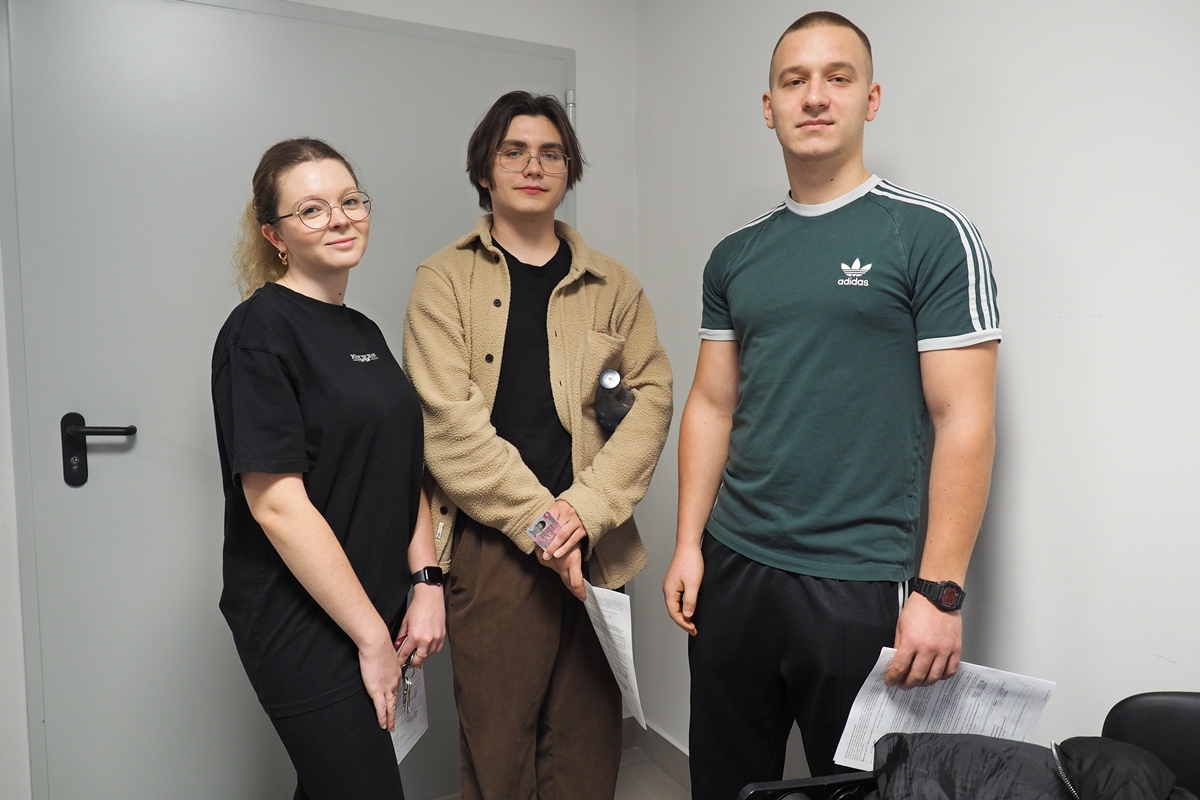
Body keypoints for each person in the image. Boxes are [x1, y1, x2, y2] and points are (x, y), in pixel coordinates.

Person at [662, 12, 1001, 795]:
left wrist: (940, 592)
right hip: (733, 567)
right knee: (726, 784)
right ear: (768, 106)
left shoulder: (931, 236)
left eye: (837, 78)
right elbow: (712, 405)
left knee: (859, 789)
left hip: (858, 580)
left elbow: (965, 420)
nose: (815, 97)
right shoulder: (735, 255)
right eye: (794, 81)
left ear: (870, 98)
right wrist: (688, 544)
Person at [403, 91, 673, 800]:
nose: (534, 166)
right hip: (494, 550)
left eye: (551, 153)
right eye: (514, 151)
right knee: (498, 754)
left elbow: (648, 401)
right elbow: (448, 426)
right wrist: (544, 524)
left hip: (597, 546)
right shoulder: (443, 280)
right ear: (484, 170)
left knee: (588, 748)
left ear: (569, 169)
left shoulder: (614, 286)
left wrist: (581, 512)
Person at [211, 138, 445, 800]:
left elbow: (402, 466)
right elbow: (277, 504)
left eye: (349, 201)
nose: (339, 219)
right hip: (302, 622)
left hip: (374, 605)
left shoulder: (364, 331)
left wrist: (426, 580)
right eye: (311, 209)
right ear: (275, 235)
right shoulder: (258, 333)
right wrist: (371, 638)